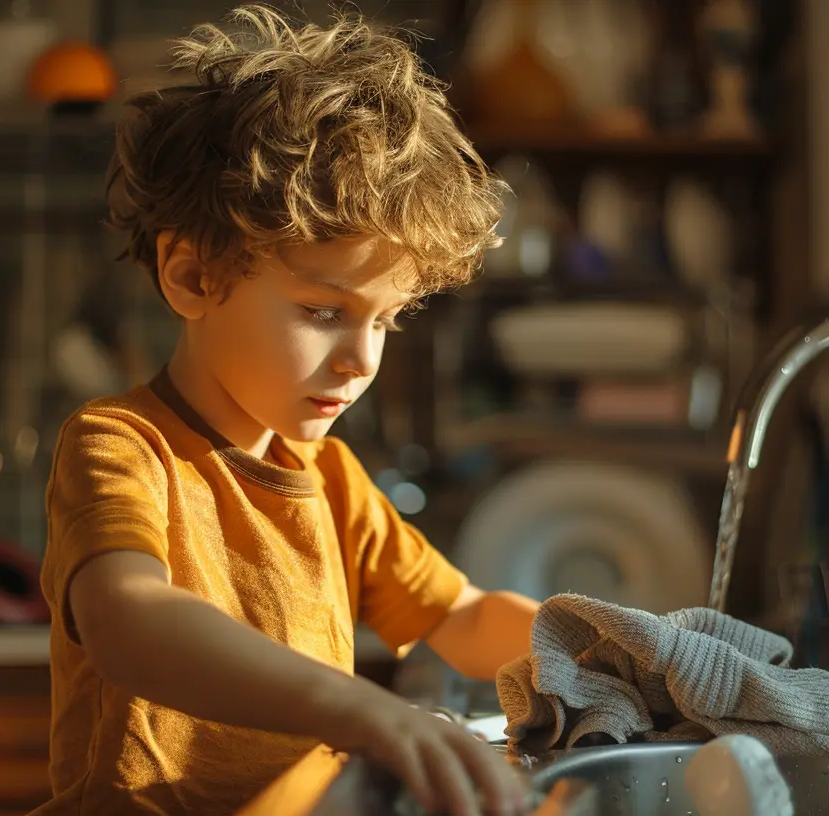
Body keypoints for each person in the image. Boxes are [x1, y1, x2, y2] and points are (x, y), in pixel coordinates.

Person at [32, 6, 540, 815]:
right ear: (193, 277)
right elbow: (129, 620)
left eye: (384, 320)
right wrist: (361, 709)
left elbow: (465, 618)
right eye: (323, 312)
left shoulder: (332, 482)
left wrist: (612, 651)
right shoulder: (120, 445)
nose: (362, 360)